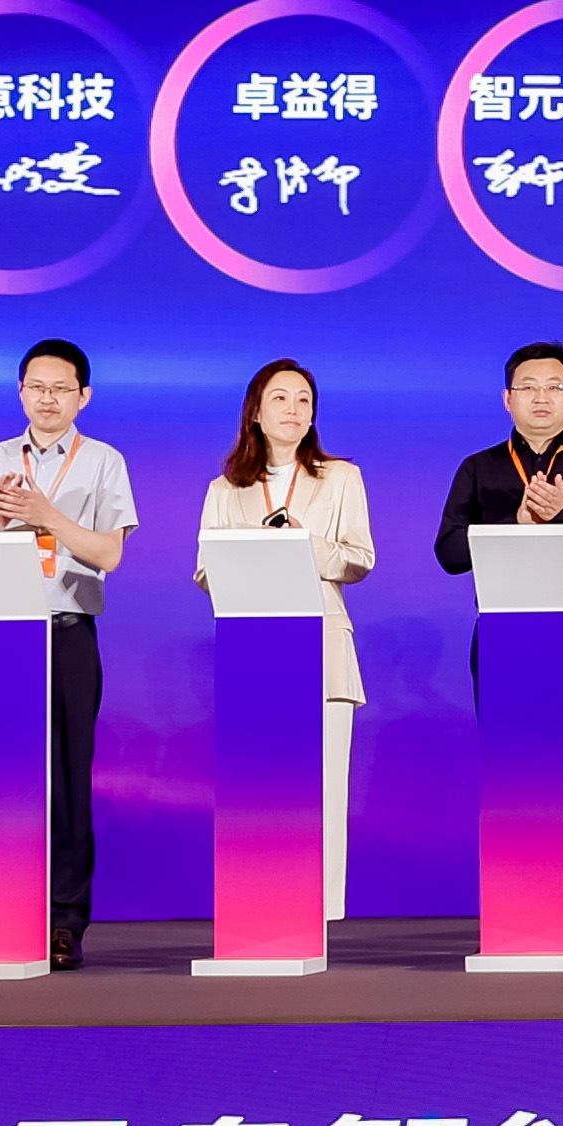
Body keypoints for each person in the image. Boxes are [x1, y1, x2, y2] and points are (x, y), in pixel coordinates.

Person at [431, 340, 563, 958]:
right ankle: (513, 915)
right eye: (528, 387)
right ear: (507, 399)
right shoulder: (479, 468)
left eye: (554, 387)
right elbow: (448, 552)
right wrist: (516, 526)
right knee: (512, 774)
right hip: (504, 633)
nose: (542, 398)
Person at [0, 337, 135, 972]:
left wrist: (47, 516)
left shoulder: (103, 461)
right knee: (0, 773)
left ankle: (65, 920)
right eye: (36, 388)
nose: (47, 399)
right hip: (0, 634)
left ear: (84, 396)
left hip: (69, 629)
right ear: (20, 392)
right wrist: (1, 526)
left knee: (69, 780)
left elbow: (109, 554)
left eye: (60, 389)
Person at [193, 357, 373, 923]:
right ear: (255, 411)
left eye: (303, 400)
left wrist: (303, 544)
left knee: (324, 784)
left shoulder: (340, 477)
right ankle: (258, 903)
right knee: (259, 783)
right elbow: (205, 571)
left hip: (322, 642)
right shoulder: (224, 489)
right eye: (280, 398)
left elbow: (360, 559)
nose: (293, 409)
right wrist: (254, 554)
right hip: (255, 643)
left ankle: (316, 912)